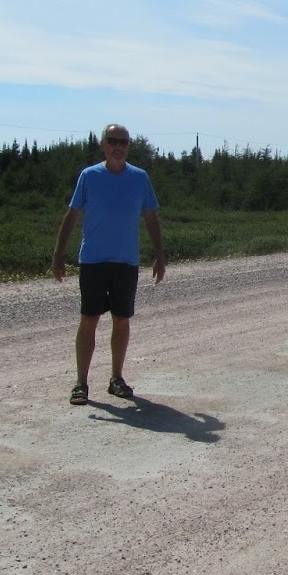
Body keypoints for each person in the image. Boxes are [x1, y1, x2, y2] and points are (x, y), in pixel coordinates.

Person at [51, 123, 166, 405]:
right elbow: (71, 215)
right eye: (113, 141)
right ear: (103, 144)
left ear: (129, 147)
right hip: (93, 260)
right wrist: (57, 255)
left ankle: (116, 378)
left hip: (126, 261)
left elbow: (151, 218)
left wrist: (160, 256)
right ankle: (81, 383)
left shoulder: (140, 178)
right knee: (89, 318)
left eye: (124, 142)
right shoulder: (89, 176)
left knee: (121, 319)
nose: (118, 146)